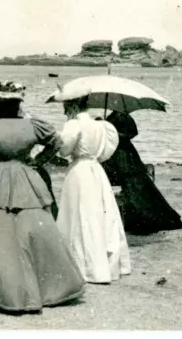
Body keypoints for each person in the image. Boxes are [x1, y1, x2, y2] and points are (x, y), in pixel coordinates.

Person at [0, 80, 84, 314]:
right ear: (18, 104)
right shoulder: (32, 125)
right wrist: (39, 161)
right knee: (32, 231)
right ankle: (49, 288)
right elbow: (57, 143)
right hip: (25, 175)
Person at [57, 96, 132, 285]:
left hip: (80, 171)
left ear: (72, 106)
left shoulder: (73, 125)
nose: (65, 111)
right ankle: (104, 264)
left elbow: (63, 150)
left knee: (79, 216)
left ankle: (84, 265)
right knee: (100, 215)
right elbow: (106, 151)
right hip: (96, 171)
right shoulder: (101, 125)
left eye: (66, 107)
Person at [101, 111, 182, 235]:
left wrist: (113, 134)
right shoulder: (114, 118)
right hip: (122, 154)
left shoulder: (119, 118)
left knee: (133, 187)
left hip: (123, 155)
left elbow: (131, 133)